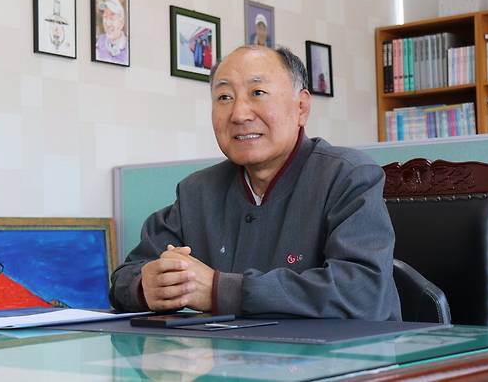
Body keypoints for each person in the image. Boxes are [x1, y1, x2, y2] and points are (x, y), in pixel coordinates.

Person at [109, 45, 401, 320]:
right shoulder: (196, 191)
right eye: (224, 97)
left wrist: (218, 290)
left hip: (343, 355)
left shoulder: (349, 176)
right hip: (229, 354)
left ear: (301, 107)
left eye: (258, 92)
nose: (239, 114)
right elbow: (126, 275)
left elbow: (362, 291)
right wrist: (146, 286)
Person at [96, 0, 129, 64]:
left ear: (121, 22)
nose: (107, 24)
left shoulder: (127, 48)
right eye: (105, 17)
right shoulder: (99, 43)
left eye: (112, 18)